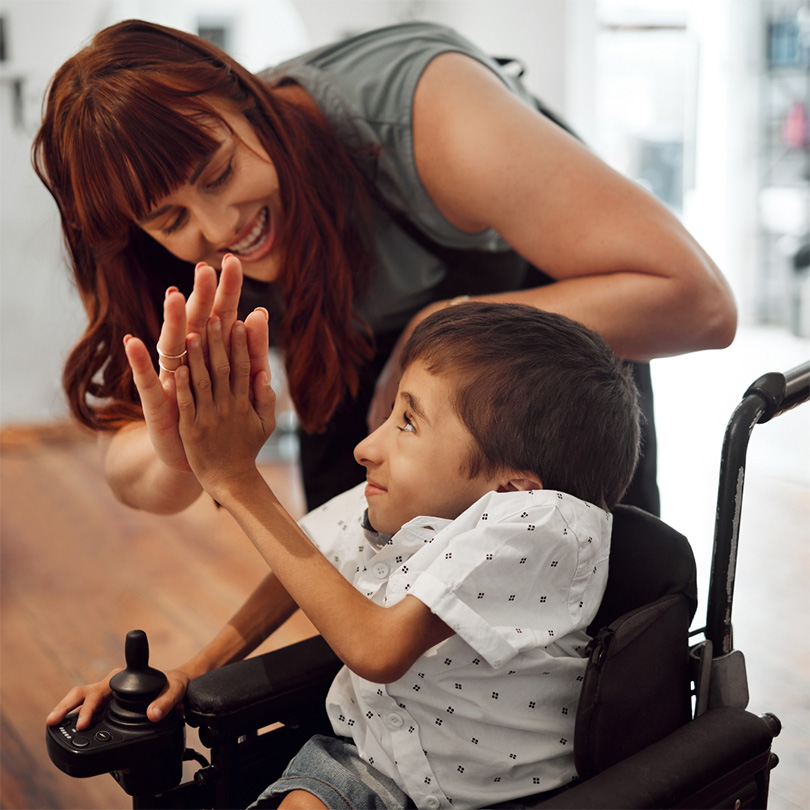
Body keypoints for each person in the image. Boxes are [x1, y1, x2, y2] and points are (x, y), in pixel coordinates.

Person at [33, 19, 736, 517]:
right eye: (171, 220)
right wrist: (179, 445)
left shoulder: (430, 114)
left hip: (548, 325)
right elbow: (134, 479)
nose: (220, 231)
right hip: (355, 349)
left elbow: (700, 304)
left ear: (249, 97)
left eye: (220, 173)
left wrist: (450, 325)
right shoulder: (157, 254)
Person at [48, 302, 640, 810]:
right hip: (371, 760)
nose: (364, 448)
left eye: (407, 422)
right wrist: (194, 669)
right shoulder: (408, 497)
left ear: (510, 487)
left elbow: (377, 649)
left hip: (508, 795)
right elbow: (302, 559)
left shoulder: (544, 524)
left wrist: (236, 479)